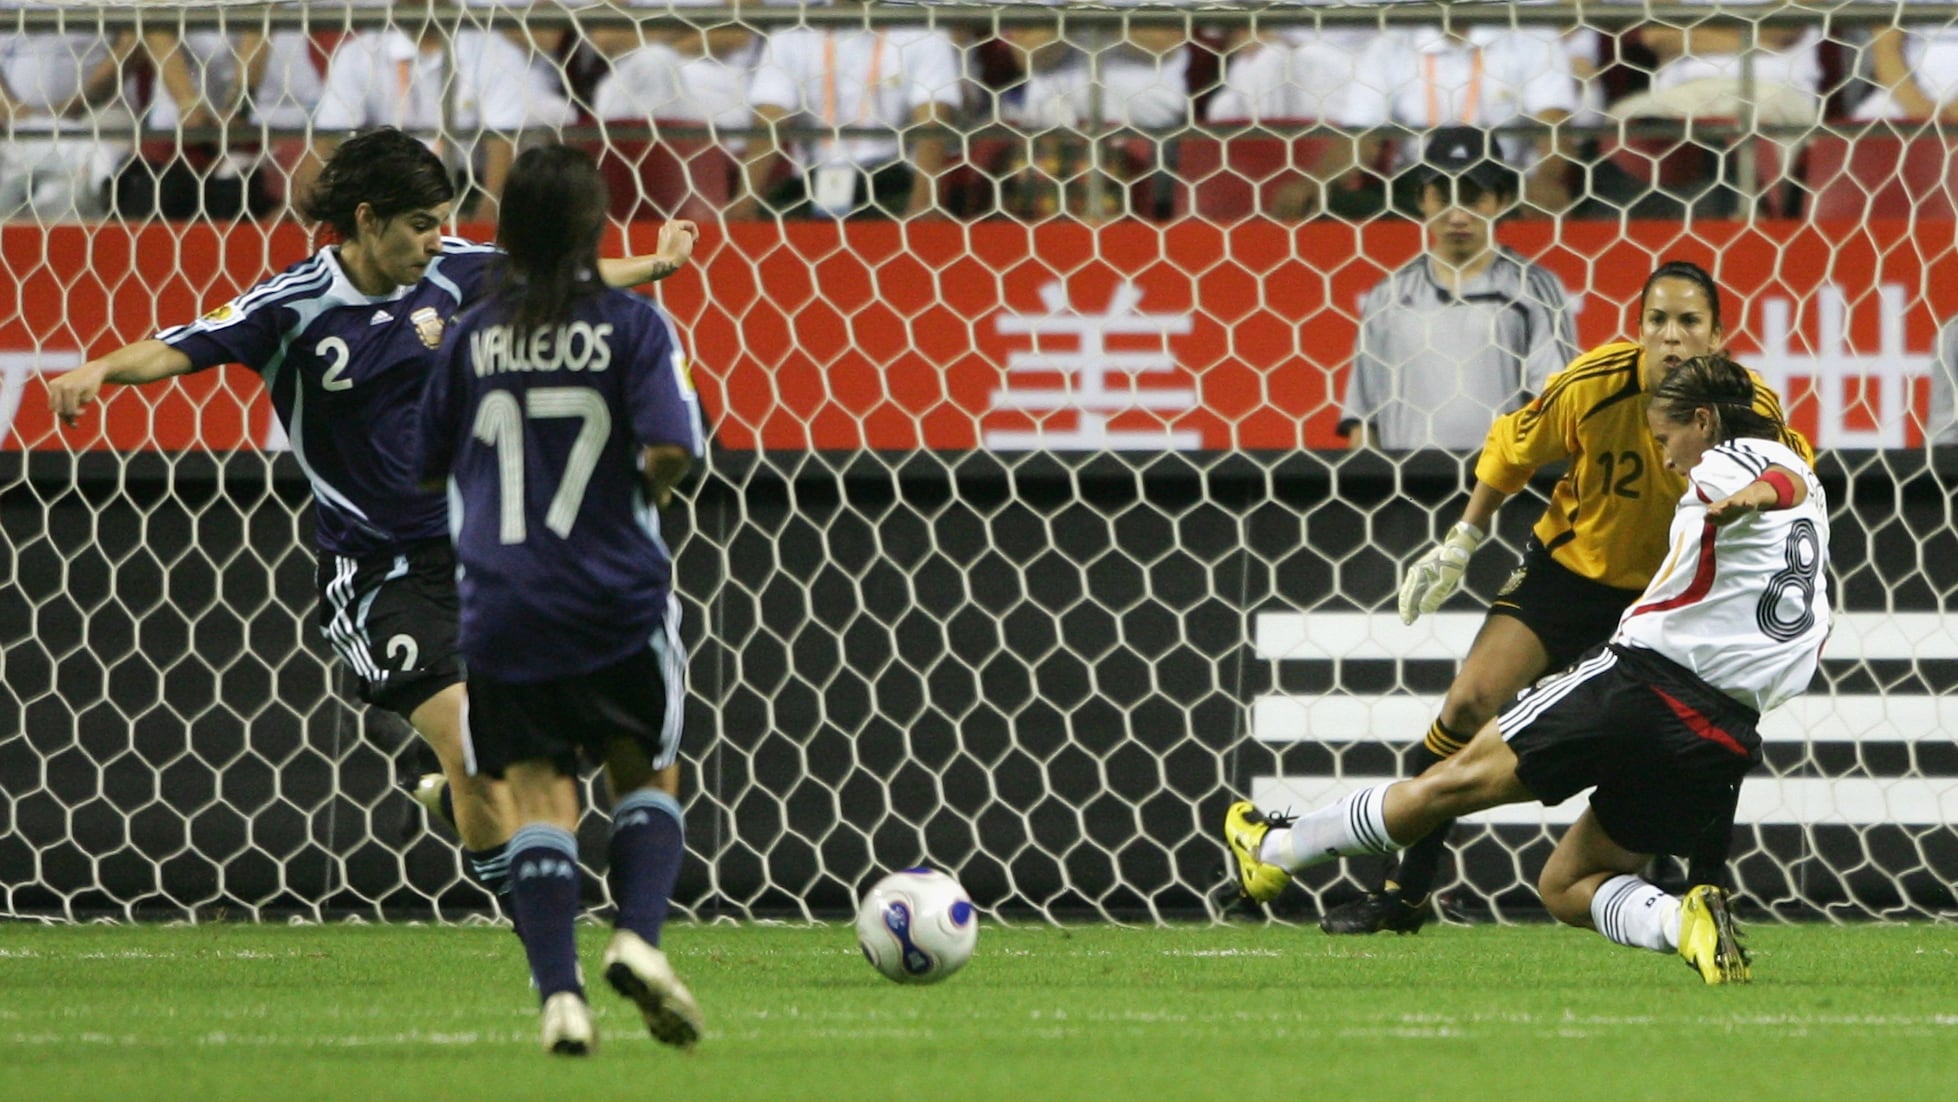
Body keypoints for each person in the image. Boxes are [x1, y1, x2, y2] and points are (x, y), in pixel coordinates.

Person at [44, 126, 696, 929]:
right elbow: (178, 347)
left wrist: (655, 266)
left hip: (480, 554)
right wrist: (100, 369)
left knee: (562, 738)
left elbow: (561, 281)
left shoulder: (454, 267)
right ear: (365, 220)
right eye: (420, 224)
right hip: (379, 574)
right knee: (474, 751)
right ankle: (540, 923)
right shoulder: (291, 304)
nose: (436, 239)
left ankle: (454, 793)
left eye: (440, 221)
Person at [1227, 352, 1831, 984]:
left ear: (1703, 421)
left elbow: (1762, 483)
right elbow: (1785, 485)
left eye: (1665, 440)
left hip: (1641, 688)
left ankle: (1274, 850)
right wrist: (1763, 493)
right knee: (1568, 884)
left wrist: (1748, 497)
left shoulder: (1726, 465)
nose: (1666, 457)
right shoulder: (1805, 479)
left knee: (1446, 785)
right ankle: (1683, 922)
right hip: (1721, 730)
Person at [1297, 259, 1812, 934]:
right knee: (1470, 701)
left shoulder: (1746, 408)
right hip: (1571, 573)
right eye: (1657, 320)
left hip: (1672, 599)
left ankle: (1703, 895)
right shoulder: (1592, 384)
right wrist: (1463, 538)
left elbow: (1792, 470)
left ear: (1717, 336)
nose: (1671, 337)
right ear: (1638, 328)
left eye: (1689, 322)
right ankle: (1404, 892)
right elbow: (1511, 449)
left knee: (1709, 730)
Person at [417, 142, 707, 1055]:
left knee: (542, 801)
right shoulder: (634, 325)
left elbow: (426, 466)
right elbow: (671, 447)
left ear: (506, 233)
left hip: (504, 606)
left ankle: (561, 999)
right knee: (646, 774)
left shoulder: (470, 334)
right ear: (595, 227)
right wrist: (636, 504)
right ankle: (638, 939)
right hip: (614, 591)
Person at [1341, 126, 1577, 451]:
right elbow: (1363, 423)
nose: (1457, 215)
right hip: (1404, 493)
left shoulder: (1534, 289)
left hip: (1501, 492)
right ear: (1422, 199)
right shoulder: (1388, 296)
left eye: (1472, 197)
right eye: (1444, 196)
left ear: (1501, 200)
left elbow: (1558, 410)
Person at [731, 3, 964, 220]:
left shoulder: (923, 30)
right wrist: (746, 199)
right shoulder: (793, 30)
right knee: (772, 220)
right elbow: (769, 119)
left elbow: (932, 123)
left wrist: (924, 204)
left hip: (891, 181)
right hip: (814, 181)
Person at [0, 18, 139, 220]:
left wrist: (74, 105)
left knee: (105, 146)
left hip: (101, 107)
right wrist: (11, 108)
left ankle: (78, 242)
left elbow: (134, 39)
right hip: (7, 114)